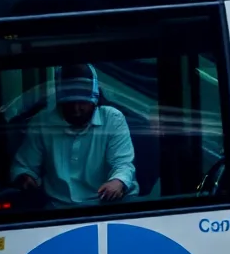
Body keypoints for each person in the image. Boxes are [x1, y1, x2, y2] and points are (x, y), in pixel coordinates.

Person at [10, 64, 137, 208]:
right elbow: (24, 165)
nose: (76, 109)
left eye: (82, 101)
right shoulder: (42, 121)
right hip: (58, 206)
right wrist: (25, 177)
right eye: (70, 102)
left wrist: (118, 181)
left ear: (94, 99)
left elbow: (123, 164)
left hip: (106, 204)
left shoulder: (112, 119)